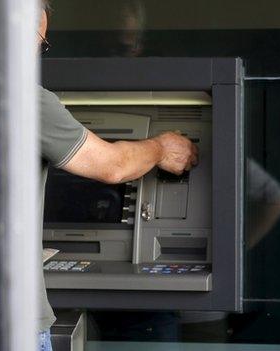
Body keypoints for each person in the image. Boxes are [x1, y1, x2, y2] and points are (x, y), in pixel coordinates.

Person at [36, 1, 198, 350]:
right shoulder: (27, 101)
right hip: (17, 315)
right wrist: (161, 148)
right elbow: (112, 165)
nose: (37, 53)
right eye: (39, 41)